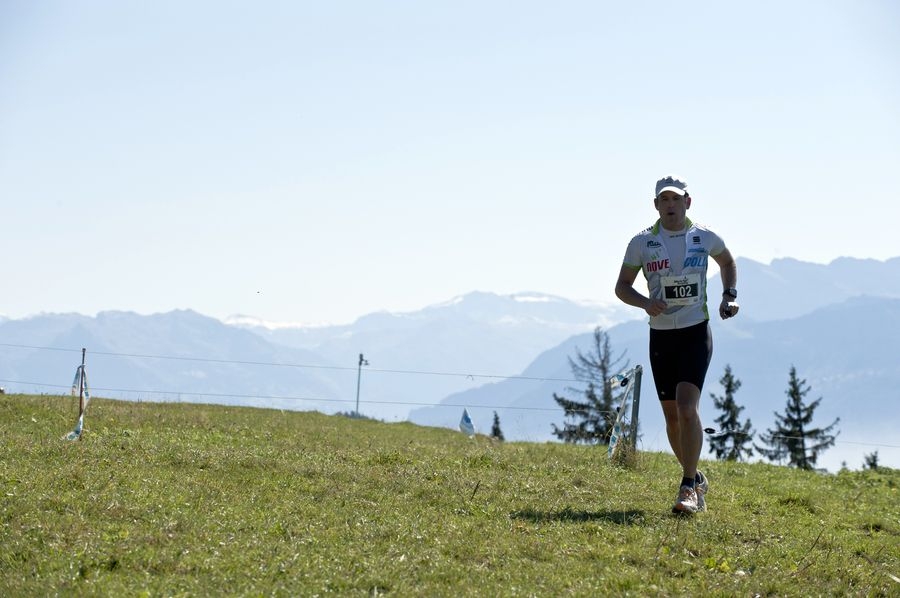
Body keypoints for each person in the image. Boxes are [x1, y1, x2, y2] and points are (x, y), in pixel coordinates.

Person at [614, 175, 739, 514]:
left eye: (675, 199)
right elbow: (622, 287)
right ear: (656, 206)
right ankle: (695, 476)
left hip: (695, 332)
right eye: (663, 200)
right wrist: (644, 303)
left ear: (688, 202)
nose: (670, 205)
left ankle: (687, 489)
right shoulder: (641, 243)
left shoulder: (704, 237)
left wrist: (729, 295)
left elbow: (727, 262)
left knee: (687, 408)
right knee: (672, 418)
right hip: (661, 336)